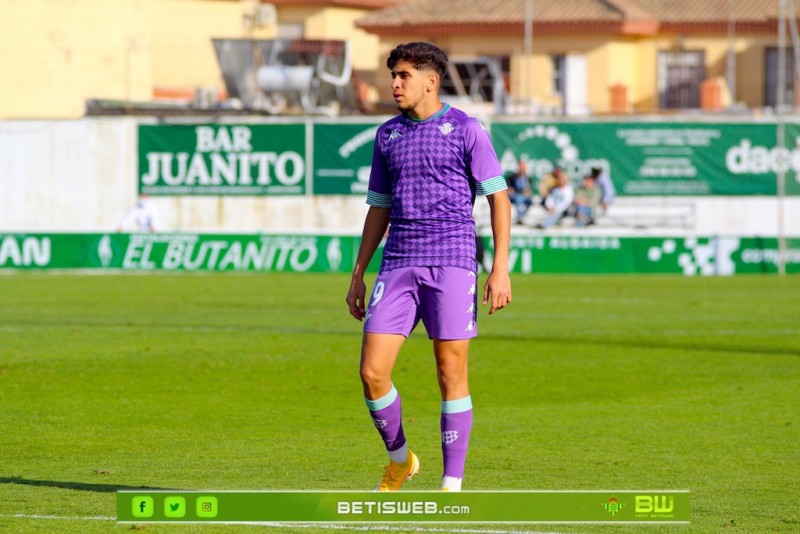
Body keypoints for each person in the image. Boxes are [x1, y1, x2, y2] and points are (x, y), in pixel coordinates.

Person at [345, 42, 512, 493]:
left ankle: (451, 483)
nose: (394, 84)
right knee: (372, 372)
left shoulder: (466, 130)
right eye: (393, 75)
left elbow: (499, 198)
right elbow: (378, 208)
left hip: (453, 262)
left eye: (403, 75)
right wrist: (359, 273)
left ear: (430, 80)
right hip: (398, 263)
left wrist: (500, 268)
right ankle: (401, 460)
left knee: (449, 371)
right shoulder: (386, 136)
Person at [508, 159, 533, 224]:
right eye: (521, 166)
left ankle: (522, 216)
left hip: (524, 196)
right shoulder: (512, 177)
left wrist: (528, 192)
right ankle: (520, 217)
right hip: (515, 195)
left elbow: (529, 189)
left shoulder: (527, 178)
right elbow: (509, 188)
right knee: (519, 199)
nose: (522, 168)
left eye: (524, 167)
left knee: (529, 201)